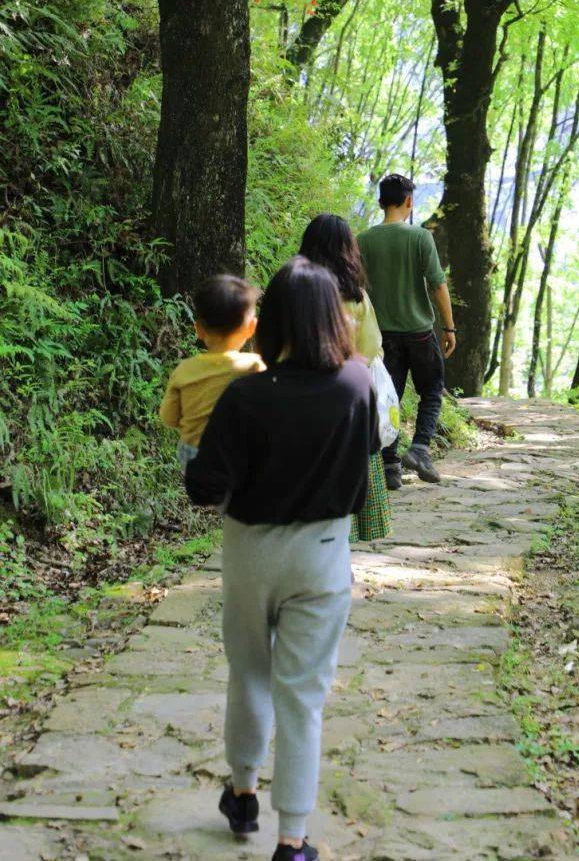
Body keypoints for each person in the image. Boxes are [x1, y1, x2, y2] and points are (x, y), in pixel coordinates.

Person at [185, 258, 378, 861]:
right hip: (322, 554)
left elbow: (204, 487)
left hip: (250, 551)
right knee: (303, 695)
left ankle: (242, 794)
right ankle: (292, 839)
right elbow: (366, 467)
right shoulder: (357, 384)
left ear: (270, 322)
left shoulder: (246, 395)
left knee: (248, 672)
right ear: (332, 316)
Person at [357, 173, 456, 490]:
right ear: (409, 202)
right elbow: (438, 284)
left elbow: (357, 288)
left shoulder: (364, 241)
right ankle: (420, 448)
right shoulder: (420, 238)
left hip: (384, 336)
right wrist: (450, 327)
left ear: (380, 202)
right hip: (419, 332)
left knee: (390, 397)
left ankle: (389, 467)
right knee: (431, 389)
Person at [298, 213, 392, 542]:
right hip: (347, 400)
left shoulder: (296, 291)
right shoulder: (356, 297)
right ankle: (341, 552)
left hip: (303, 398)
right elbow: (371, 348)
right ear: (347, 250)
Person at [159, 274, 263, 474]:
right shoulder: (255, 366)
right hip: (236, 455)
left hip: (192, 458)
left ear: (198, 329)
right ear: (251, 328)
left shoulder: (184, 370)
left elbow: (169, 418)